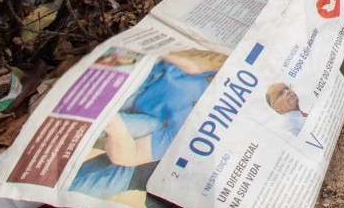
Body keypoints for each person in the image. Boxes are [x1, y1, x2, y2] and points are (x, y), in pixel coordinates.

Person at [68, 49, 226, 200]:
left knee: (142, 129)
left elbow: (129, 156)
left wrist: (116, 127)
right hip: (145, 69)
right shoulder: (224, 82)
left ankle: (74, 116)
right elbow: (193, 66)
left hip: (132, 105)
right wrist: (152, 51)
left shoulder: (191, 133)